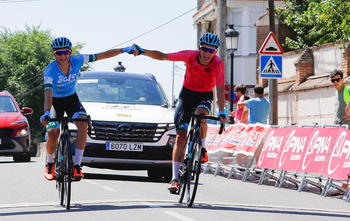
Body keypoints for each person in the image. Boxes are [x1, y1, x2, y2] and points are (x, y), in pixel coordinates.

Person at [131, 33, 227, 193]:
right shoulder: (189, 55)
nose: (207, 53)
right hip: (186, 95)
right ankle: (174, 178)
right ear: (199, 48)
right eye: (204, 49)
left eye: (211, 50)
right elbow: (162, 56)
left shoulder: (218, 64)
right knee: (180, 137)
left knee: (201, 115)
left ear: (215, 52)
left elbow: (220, 87)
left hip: (204, 95)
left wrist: (222, 110)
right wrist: (143, 52)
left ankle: (202, 149)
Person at [40, 37, 137, 181]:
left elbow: (102, 55)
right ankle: (49, 164)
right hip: (55, 102)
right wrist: (47, 112)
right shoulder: (49, 71)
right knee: (53, 132)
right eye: (58, 53)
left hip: (72, 99)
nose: (63, 56)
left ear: (70, 52)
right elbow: (48, 94)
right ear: (54, 54)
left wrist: (123, 50)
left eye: (65, 52)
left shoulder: (78, 60)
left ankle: (77, 165)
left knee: (83, 123)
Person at [330, 69, 350, 195]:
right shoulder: (336, 93)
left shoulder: (347, 90)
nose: (335, 82)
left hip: (347, 129)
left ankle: (344, 186)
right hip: (339, 129)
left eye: (338, 79)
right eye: (333, 80)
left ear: (342, 79)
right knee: (342, 159)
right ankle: (343, 186)